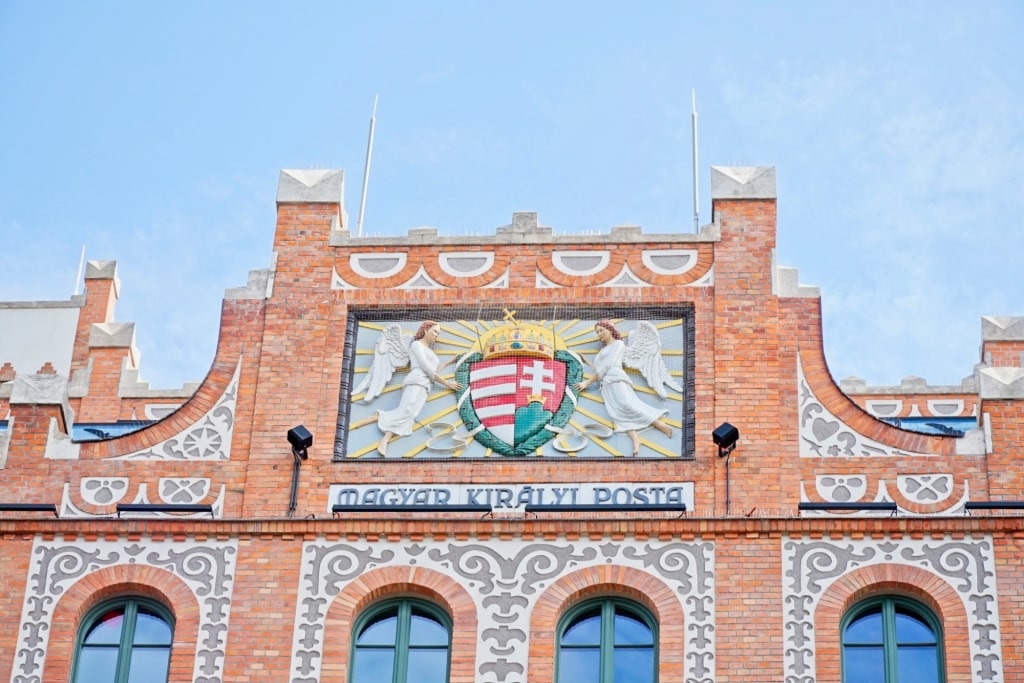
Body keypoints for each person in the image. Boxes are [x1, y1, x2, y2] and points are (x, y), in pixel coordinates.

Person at [353, 321, 461, 456]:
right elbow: (426, 368)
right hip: (415, 381)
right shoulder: (416, 345)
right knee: (405, 410)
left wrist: (450, 361)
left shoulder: (430, 351)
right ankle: (375, 420)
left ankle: (384, 439)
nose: (436, 335)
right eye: (434, 331)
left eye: (438, 333)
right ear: (426, 330)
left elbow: (434, 370)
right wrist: (447, 383)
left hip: (425, 386)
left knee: (410, 415)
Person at [576, 319, 672, 455]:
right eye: (597, 332)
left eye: (601, 330)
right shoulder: (603, 350)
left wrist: (586, 383)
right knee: (618, 414)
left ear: (610, 329)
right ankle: (636, 440)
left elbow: (608, 365)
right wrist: (586, 361)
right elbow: (599, 369)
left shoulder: (618, 344)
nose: (599, 334)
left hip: (617, 379)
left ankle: (659, 425)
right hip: (606, 384)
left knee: (627, 404)